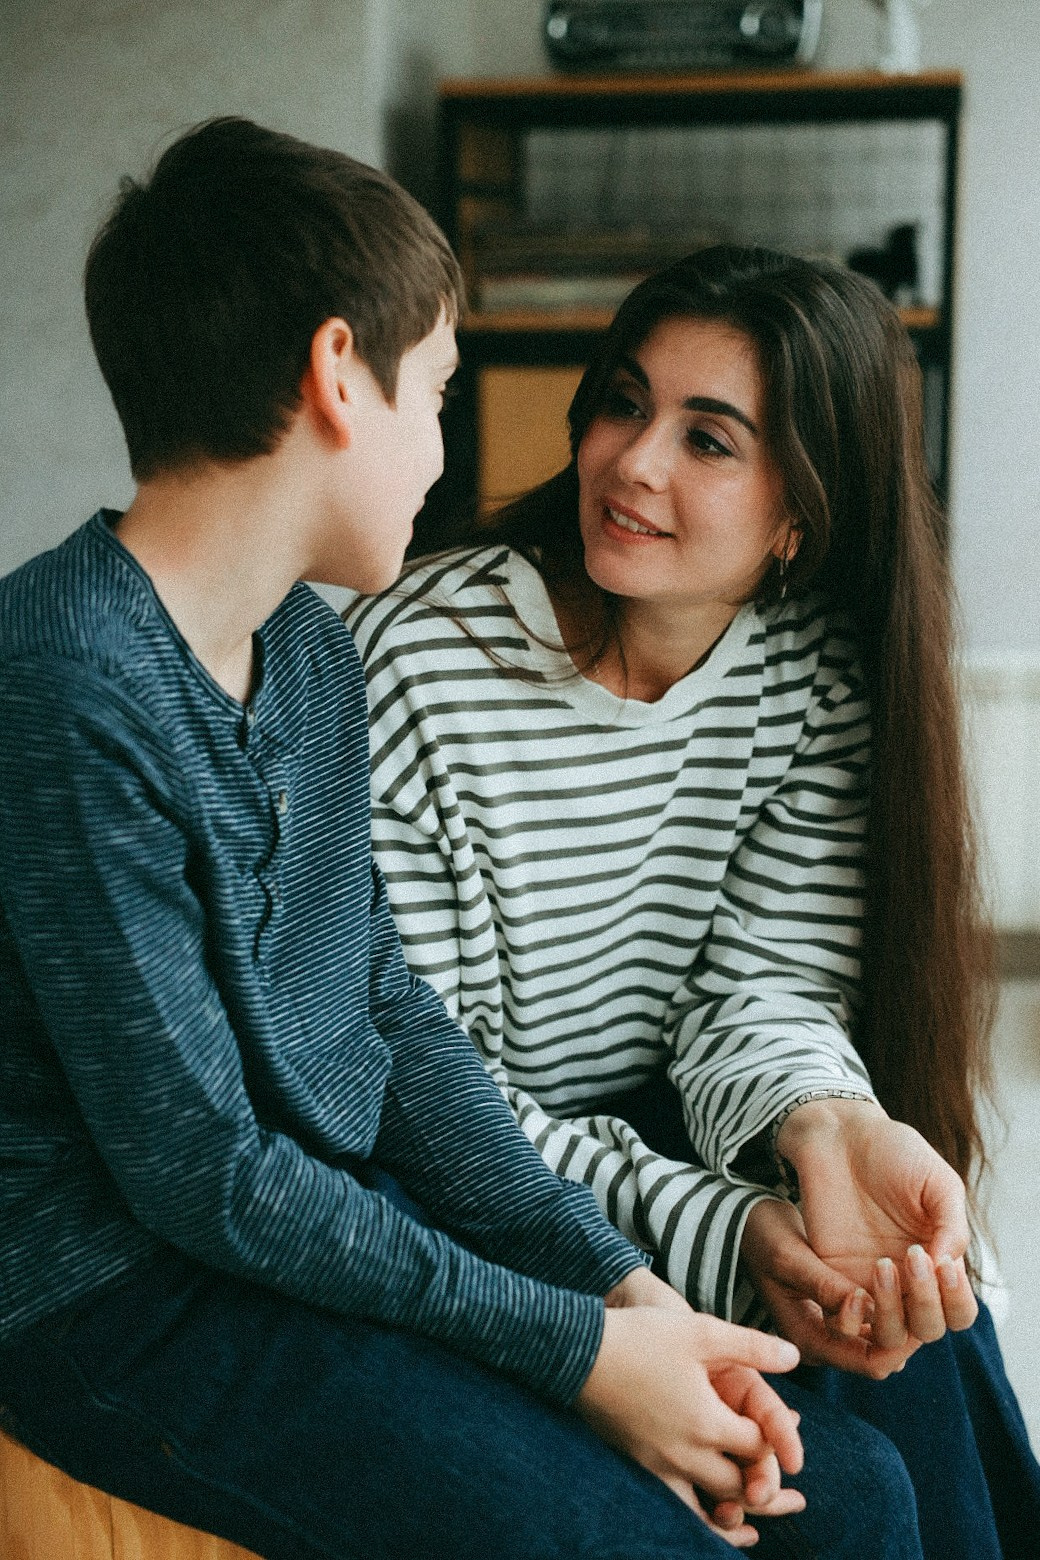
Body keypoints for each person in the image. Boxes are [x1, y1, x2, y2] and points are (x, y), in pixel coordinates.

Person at [0, 120, 935, 1560]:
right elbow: (211, 1176)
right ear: (334, 379)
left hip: (317, 1221)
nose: (449, 454)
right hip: (119, 1296)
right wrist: (575, 1352)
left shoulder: (305, 651)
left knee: (858, 1494)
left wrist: (619, 1287)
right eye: (437, 393)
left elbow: (389, 1017)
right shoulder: (63, 675)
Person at [344, 244, 1040, 1560]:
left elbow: (756, 991)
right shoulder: (424, 667)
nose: (632, 462)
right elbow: (441, 1107)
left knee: (913, 1316)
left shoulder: (813, 669)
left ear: (801, 518)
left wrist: (826, 1126)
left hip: (670, 1129)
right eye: (624, 401)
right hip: (480, 1185)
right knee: (859, 1461)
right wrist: (732, 1231)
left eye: (708, 439)